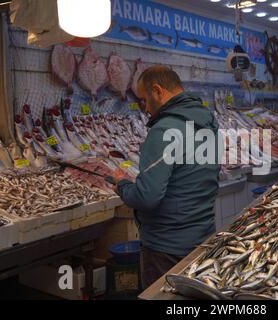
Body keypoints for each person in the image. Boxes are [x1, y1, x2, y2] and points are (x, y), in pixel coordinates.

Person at [113, 65, 220, 290]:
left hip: (166, 248)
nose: (144, 108)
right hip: (203, 237)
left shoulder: (163, 130)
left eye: (143, 100)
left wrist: (122, 184)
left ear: (157, 91)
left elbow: (146, 197)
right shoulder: (208, 123)